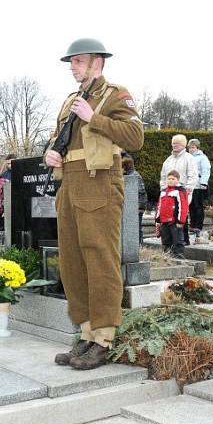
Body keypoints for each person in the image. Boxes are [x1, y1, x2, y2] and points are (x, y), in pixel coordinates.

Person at [46, 38, 144, 371]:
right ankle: (86, 334)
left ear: (97, 63)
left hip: (98, 185)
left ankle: (104, 338)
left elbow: (135, 137)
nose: (72, 67)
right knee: (72, 263)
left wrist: (94, 118)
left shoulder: (114, 95)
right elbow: (60, 138)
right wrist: (50, 153)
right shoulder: (71, 101)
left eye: (78, 61)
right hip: (69, 186)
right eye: (71, 62)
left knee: (100, 259)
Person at [159, 134, 198, 245]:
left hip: (183, 191)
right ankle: (171, 239)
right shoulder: (168, 160)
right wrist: (163, 188)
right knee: (170, 214)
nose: (174, 145)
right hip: (168, 192)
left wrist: (188, 189)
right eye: (173, 143)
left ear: (183, 145)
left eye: (177, 143)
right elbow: (163, 175)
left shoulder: (189, 158)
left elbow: (193, 175)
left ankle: (183, 239)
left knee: (181, 213)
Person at [155, 170, 188, 258]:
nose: (170, 180)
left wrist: (181, 221)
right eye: (168, 179)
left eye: (173, 179)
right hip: (164, 221)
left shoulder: (180, 192)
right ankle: (167, 257)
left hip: (175, 222)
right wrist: (158, 219)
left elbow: (183, 207)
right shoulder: (163, 192)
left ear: (178, 180)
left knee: (177, 241)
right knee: (166, 241)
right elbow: (159, 206)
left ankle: (179, 258)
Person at [187, 139, 211, 239]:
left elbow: (206, 170)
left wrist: (203, 183)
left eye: (193, 147)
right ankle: (192, 225)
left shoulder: (202, 158)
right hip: (190, 186)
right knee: (191, 206)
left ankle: (198, 226)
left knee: (198, 206)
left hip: (199, 186)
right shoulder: (187, 157)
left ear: (197, 148)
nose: (191, 149)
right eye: (190, 147)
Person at [122, 154, 147, 243]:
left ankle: (139, 244)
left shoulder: (133, 177)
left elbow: (141, 192)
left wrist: (140, 207)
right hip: (134, 206)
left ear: (124, 167)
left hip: (137, 207)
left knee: (136, 228)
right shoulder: (129, 175)